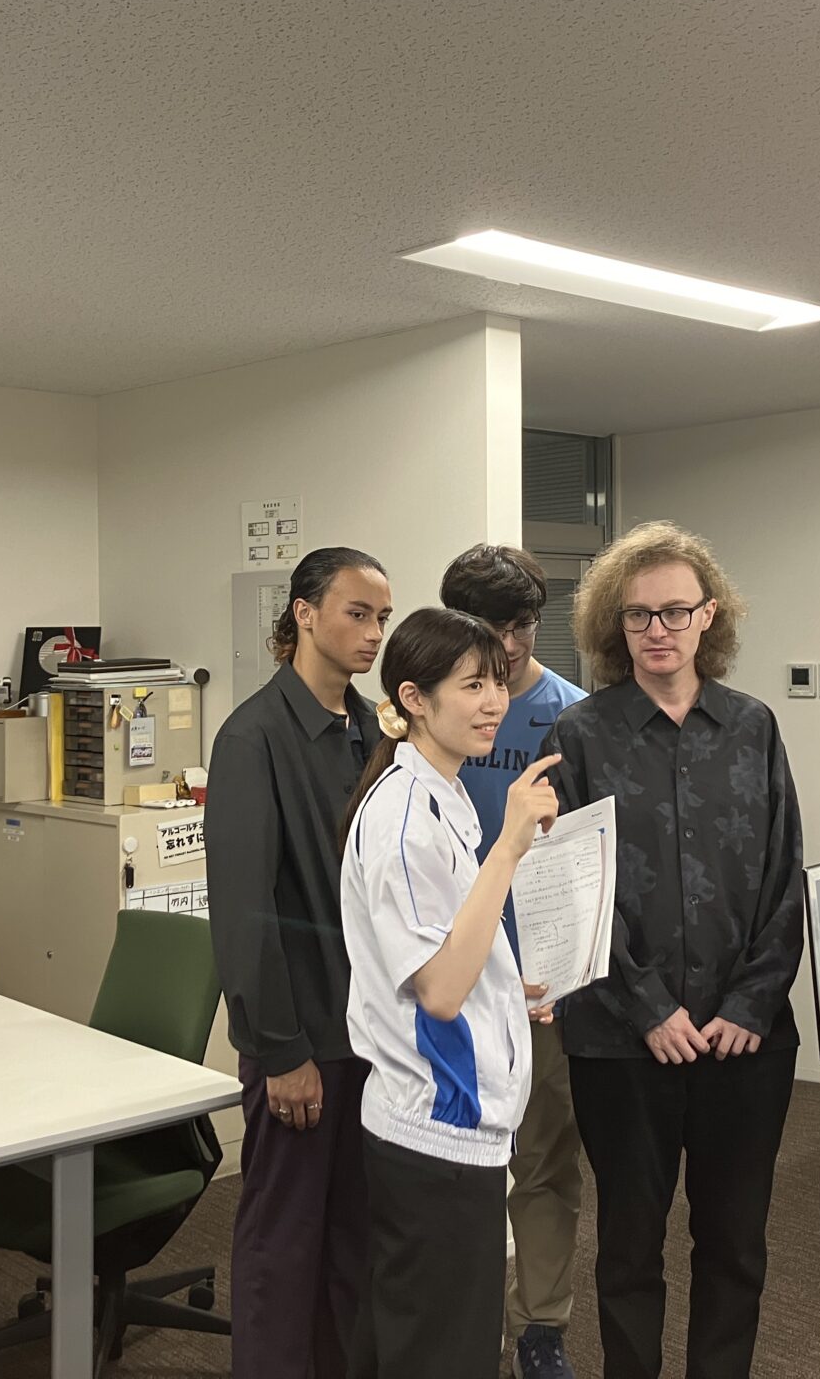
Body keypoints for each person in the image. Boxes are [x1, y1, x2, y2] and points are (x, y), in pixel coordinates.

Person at [538, 521, 805, 1379]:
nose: (657, 630)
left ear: (708, 616)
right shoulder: (580, 735)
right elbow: (572, 891)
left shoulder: (754, 727)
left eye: (675, 612)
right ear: (614, 624)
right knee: (627, 1247)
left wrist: (750, 1004)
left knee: (735, 1244)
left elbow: (785, 880)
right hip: (623, 1044)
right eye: (638, 615)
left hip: (742, 1042)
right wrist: (649, 1008)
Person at [338, 608, 557, 1377]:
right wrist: (510, 847)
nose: (494, 701)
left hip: (448, 1129)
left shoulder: (441, 792)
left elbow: (452, 945)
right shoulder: (404, 817)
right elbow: (436, 989)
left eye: (498, 682)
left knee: (407, 1343)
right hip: (434, 1129)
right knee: (442, 1354)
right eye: (472, 686)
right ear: (415, 699)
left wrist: (506, 988)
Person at [204, 546, 393, 1379]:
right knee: (284, 1241)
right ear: (304, 614)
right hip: (303, 1039)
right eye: (358, 613)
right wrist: (281, 1051)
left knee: (356, 1237)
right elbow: (243, 913)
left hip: (373, 1037)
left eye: (382, 617)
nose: (374, 632)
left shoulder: (374, 730)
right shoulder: (253, 737)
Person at [439, 544, 589, 1379]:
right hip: (447, 981)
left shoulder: (571, 718)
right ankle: (461, 1326)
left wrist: (564, 969)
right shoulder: (433, 712)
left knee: (542, 1163)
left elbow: (588, 860)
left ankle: (540, 1327)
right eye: (489, 629)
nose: (508, 646)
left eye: (523, 625)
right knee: (451, 1164)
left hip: (539, 988)